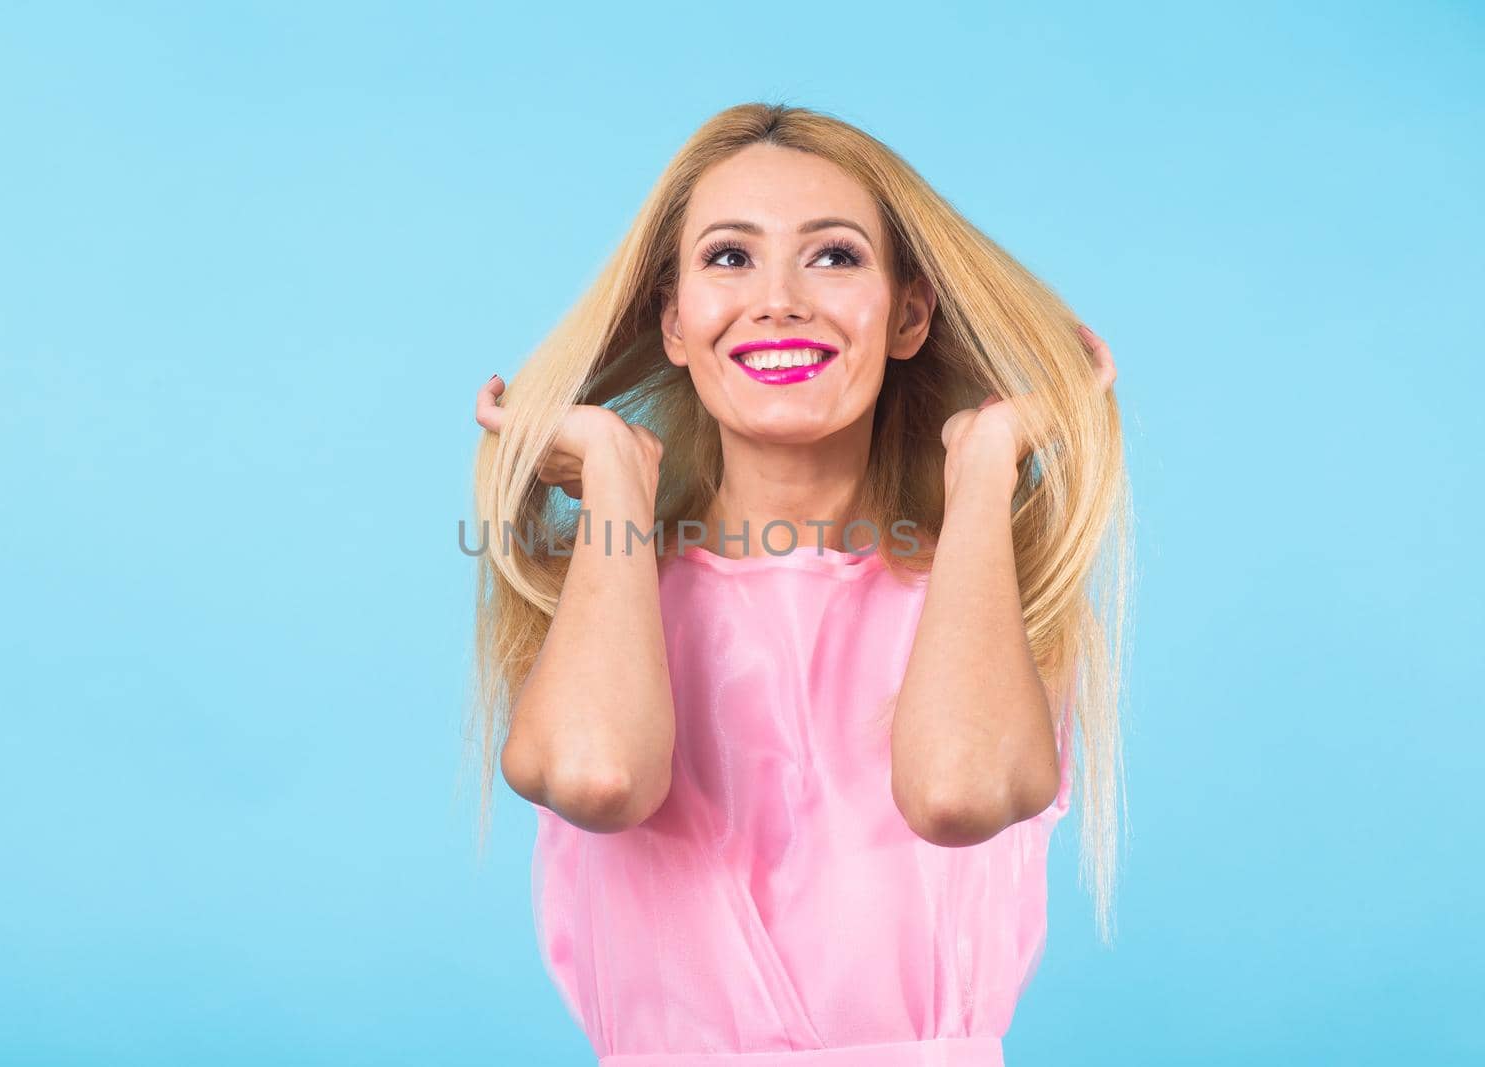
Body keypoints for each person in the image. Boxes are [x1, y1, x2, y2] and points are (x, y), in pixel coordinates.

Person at [466, 102, 1132, 1065]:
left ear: (908, 314)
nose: (779, 299)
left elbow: (959, 794)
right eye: (730, 258)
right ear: (675, 322)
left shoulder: (977, 607)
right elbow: (598, 776)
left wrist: (984, 470)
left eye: (833, 257)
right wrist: (614, 472)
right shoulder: (608, 607)